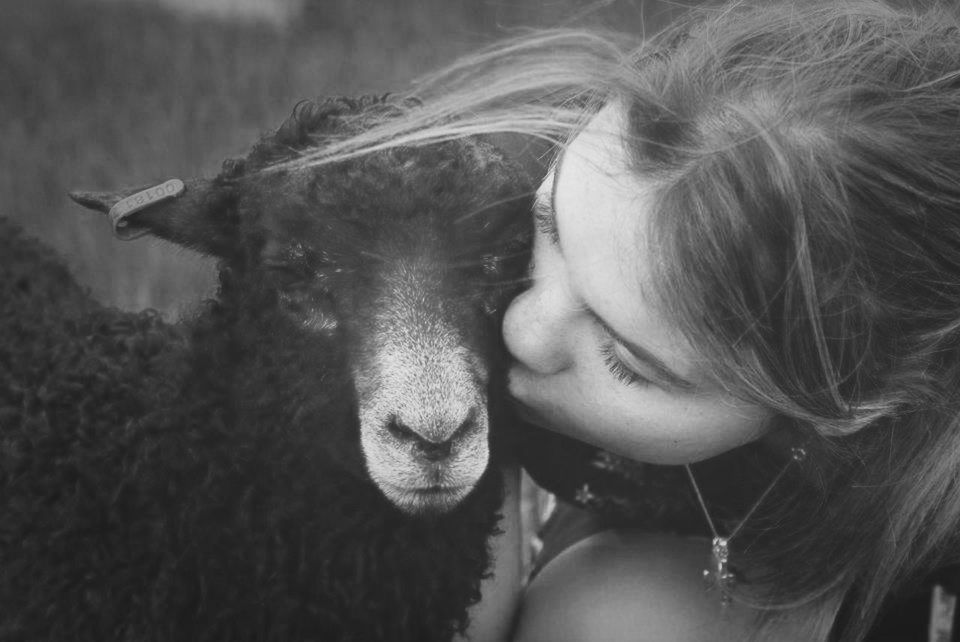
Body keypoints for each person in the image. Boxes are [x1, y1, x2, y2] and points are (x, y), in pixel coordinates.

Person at [291, 1, 960, 639]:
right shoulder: (527, 198)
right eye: (546, 228)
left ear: (845, 406)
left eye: (626, 362)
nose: (523, 328)